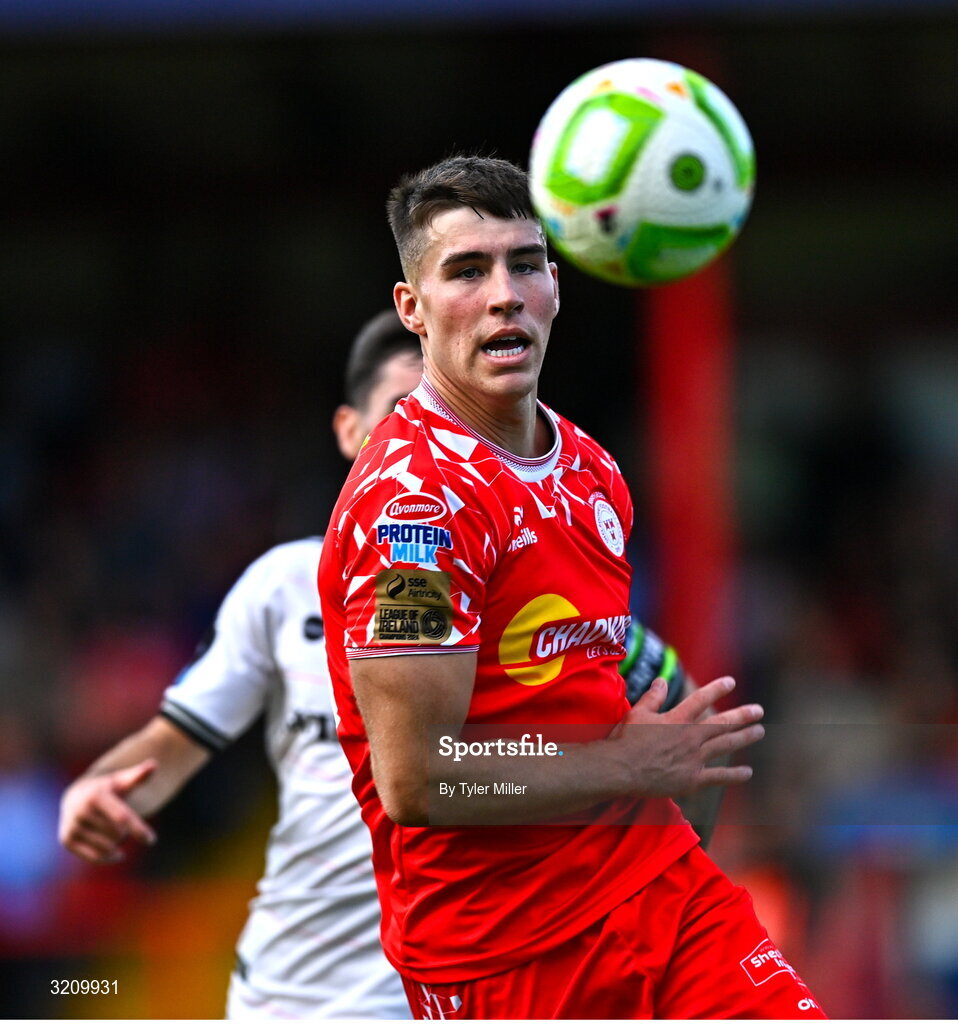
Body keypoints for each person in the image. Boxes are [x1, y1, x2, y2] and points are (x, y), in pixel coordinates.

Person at [318, 155, 826, 1020]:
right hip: (509, 952)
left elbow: (589, 679)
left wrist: (670, 764)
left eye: (524, 263)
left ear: (557, 282)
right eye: (467, 271)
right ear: (414, 309)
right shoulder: (414, 508)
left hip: (661, 894)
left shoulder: (589, 466)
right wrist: (626, 762)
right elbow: (419, 777)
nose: (503, 293)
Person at [57, 309, 423, 1019]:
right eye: (404, 418)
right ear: (350, 433)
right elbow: (174, 743)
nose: (430, 447)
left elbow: (666, 722)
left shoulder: (535, 590)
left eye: (456, 423)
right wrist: (100, 789)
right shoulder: (285, 585)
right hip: (292, 994)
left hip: (466, 989)